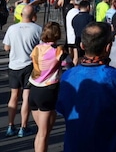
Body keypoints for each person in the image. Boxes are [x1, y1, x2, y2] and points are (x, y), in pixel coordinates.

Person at [57, 22, 116, 152]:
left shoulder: (67, 77)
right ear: (108, 47)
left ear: (82, 45)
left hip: (75, 145)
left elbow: (61, 109)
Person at [2, 4, 42, 138]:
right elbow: (42, 48)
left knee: (13, 96)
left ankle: (10, 125)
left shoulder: (12, 28)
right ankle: (23, 126)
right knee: (26, 97)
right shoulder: (37, 29)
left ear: (21, 15)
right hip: (29, 64)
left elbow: (6, 47)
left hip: (14, 65)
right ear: (33, 16)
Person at [29, 22, 68, 152]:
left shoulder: (37, 48)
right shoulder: (58, 50)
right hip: (48, 89)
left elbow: (32, 59)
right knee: (43, 133)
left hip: (34, 89)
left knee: (42, 131)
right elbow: (67, 63)